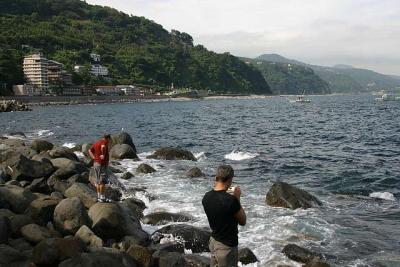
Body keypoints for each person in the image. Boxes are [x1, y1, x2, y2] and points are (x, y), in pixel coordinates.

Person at [202, 165, 247, 267]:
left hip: (214, 241)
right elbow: (243, 221)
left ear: (216, 178)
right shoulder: (231, 201)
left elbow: (220, 211)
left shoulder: (206, 197)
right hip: (226, 247)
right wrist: (237, 198)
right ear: (230, 180)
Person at [88, 134, 111, 203]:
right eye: (110, 140)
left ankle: (98, 197)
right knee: (102, 181)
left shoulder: (97, 142)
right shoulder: (104, 142)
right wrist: (103, 155)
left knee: (98, 181)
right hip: (102, 164)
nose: (109, 141)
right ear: (108, 138)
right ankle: (102, 197)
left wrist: (94, 158)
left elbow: (89, 150)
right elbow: (103, 147)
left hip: (96, 163)